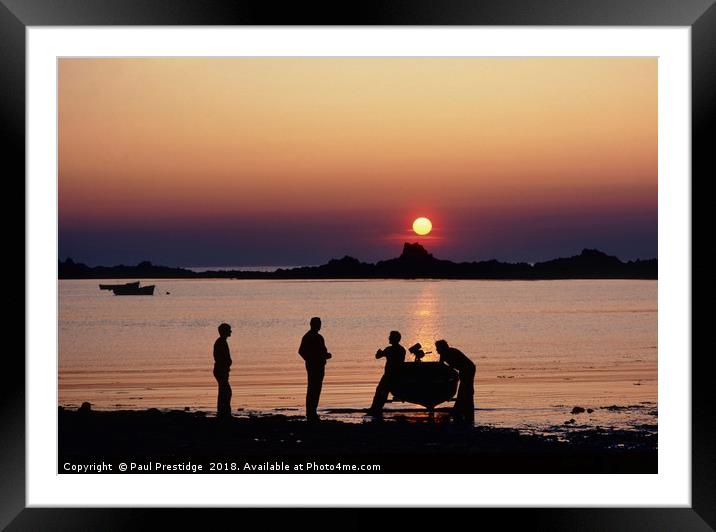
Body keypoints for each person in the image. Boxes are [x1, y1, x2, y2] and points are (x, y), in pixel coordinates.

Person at [298, 317, 331, 422]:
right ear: (312, 325)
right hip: (313, 367)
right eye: (318, 324)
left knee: (316, 388)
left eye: (320, 324)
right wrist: (310, 359)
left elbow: (323, 352)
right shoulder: (308, 337)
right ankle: (310, 412)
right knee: (312, 388)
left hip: (320, 366)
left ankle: (313, 411)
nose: (319, 326)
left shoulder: (319, 337)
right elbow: (301, 351)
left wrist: (326, 355)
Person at [366, 330, 406, 417]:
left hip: (389, 375)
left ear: (394, 339)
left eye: (390, 337)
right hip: (397, 375)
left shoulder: (389, 349)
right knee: (382, 391)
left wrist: (379, 352)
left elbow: (377, 356)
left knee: (380, 391)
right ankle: (376, 408)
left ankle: (375, 408)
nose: (389, 338)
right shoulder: (402, 349)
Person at [435, 339, 475, 423]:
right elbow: (441, 365)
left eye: (437, 348)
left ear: (442, 347)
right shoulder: (444, 354)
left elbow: (452, 366)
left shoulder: (451, 352)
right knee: (464, 389)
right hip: (463, 369)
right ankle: (461, 408)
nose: (436, 350)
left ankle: (462, 408)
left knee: (465, 388)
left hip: (468, 368)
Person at [213, 323, 233, 420]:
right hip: (220, 370)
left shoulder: (222, 341)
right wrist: (225, 365)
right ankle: (223, 410)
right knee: (226, 391)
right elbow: (219, 358)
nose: (231, 331)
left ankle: (223, 410)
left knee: (224, 390)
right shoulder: (220, 342)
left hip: (222, 370)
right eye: (229, 330)